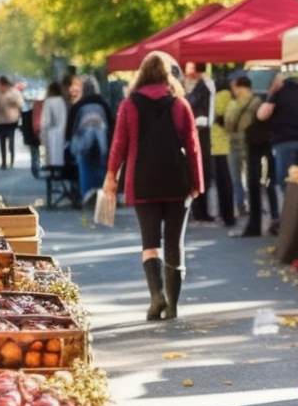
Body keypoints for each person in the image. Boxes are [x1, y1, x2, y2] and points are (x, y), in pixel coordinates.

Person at [104, 51, 202, 321]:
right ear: (168, 74)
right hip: (176, 180)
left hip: (142, 179)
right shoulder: (180, 104)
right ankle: (173, 306)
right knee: (174, 242)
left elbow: (119, 145)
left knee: (150, 242)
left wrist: (111, 175)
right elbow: (192, 146)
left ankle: (156, 296)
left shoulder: (130, 105)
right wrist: (196, 182)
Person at [256, 71, 298, 234]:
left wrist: (271, 95)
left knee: (287, 184)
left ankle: (290, 221)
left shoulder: (278, 93)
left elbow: (262, 115)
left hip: (285, 142)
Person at [229, 76, 278, 237]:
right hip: (261, 144)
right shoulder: (259, 101)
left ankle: (251, 218)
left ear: (239, 86)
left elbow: (229, 123)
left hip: (247, 144)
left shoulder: (236, 103)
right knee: (266, 183)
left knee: (250, 182)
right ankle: (274, 219)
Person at [66, 75, 111, 206]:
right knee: (101, 168)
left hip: (83, 144)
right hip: (102, 144)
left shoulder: (79, 105)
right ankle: (101, 195)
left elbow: (70, 129)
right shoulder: (104, 104)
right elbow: (111, 124)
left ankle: (86, 195)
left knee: (85, 168)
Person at [184, 62, 217, 223]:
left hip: (199, 131)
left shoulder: (201, 87)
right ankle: (200, 210)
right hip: (203, 131)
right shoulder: (207, 85)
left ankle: (199, 210)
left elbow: (193, 106)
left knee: (200, 170)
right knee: (203, 171)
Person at [224, 75, 253, 220]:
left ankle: (241, 205)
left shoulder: (233, 105)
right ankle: (253, 205)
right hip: (250, 144)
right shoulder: (256, 102)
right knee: (251, 177)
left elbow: (227, 125)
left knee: (236, 178)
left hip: (234, 144)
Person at [209, 78, 236, 227]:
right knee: (225, 182)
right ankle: (227, 215)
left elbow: (222, 118)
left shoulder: (222, 95)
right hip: (223, 144)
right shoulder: (226, 95)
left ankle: (227, 216)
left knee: (223, 183)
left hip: (219, 144)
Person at [0, 76, 25, 169]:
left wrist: (11, 102)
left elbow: (20, 104)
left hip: (11, 121)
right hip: (0, 121)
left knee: (11, 142)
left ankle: (11, 161)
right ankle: (3, 162)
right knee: (2, 142)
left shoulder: (14, 93)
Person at [40, 81, 68, 173]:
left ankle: (47, 168)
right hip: (61, 132)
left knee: (49, 155)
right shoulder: (62, 101)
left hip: (50, 133)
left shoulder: (48, 102)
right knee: (59, 156)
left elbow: (46, 120)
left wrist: (42, 130)